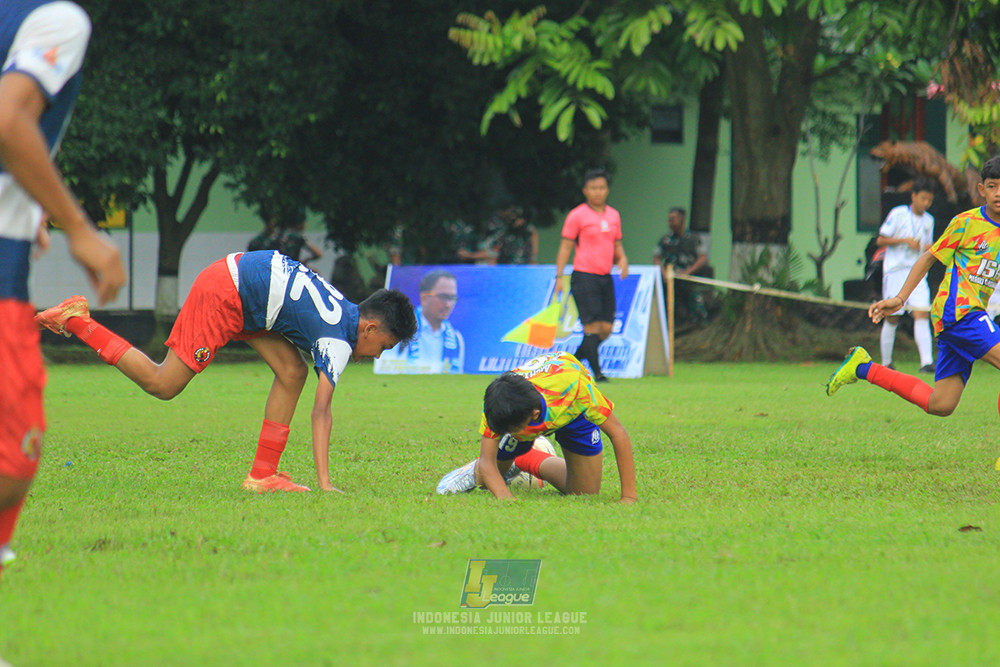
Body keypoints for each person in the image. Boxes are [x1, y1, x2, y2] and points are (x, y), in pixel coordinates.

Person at [35, 250, 416, 493]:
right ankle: (77, 321)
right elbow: (321, 412)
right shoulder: (339, 342)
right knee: (163, 383)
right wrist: (326, 485)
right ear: (369, 328)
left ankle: (263, 474)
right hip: (228, 293)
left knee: (291, 371)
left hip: (243, 283)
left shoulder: (346, 309)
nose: (376, 356)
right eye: (383, 346)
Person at [0, 0, 126, 588]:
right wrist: (79, 227)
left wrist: (30, 204)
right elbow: (9, 119)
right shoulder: (58, 19)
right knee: (13, 463)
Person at [826, 156, 1000, 422]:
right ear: (981, 190)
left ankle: (863, 368)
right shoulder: (966, 224)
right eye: (992, 186)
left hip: (966, 318)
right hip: (959, 312)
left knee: (941, 403)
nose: (998, 193)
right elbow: (928, 257)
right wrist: (899, 298)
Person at [436, 352, 637, 503]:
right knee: (489, 478)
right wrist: (507, 500)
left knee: (584, 493)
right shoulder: (498, 402)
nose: (505, 433)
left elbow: (618, 434)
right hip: (525, 411)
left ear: (533, 417)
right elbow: (487, 461)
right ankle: (475, 471)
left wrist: (629, 497)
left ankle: (527, 458)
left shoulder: (576, 390)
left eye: (510, 431)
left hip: (573, 414)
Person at [553, 168, 629, 382]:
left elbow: (617, 244)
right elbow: (565, 247)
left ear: (607, 189)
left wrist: (622, 259)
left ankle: (572, 363)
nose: (598, 192)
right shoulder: (577, 215)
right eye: (593, 188)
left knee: (606, 329)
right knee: (591, 326)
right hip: (584, 276)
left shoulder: (614, 215)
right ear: (585, 190)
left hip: (605, 277)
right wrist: (559, 276)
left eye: (602, 188)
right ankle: (598, 374)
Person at [875, 177, 936, 372]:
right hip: (896, 271)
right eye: (923, 199)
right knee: (892, 316)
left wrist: (928, 247)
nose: (926, 203)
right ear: (914, 196)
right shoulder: (899, 213)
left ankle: (926, 363)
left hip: (918, 272)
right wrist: (903, 241)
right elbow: (880, 240)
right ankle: (886, 362)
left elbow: (927, 246)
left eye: (929, 200)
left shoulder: (929, 220)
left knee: (922, 314)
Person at [378, 269, 465, 373]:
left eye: (452, 298)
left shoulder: (456, 339)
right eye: (443, 297)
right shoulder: (400, 330)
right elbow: (385, 368)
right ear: (424, 298)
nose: (448, 304)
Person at [653, 206, 709, 325]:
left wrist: (688, 272)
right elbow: (656, 258)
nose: (671, 222)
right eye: (669, 219)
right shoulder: (665, 240)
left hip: (690, 282)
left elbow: (703, 258)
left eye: (673, 219)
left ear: (682, 219)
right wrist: (664, 274)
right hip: (670, 283)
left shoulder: (694, 239)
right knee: (668, 312)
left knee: (697, 311)